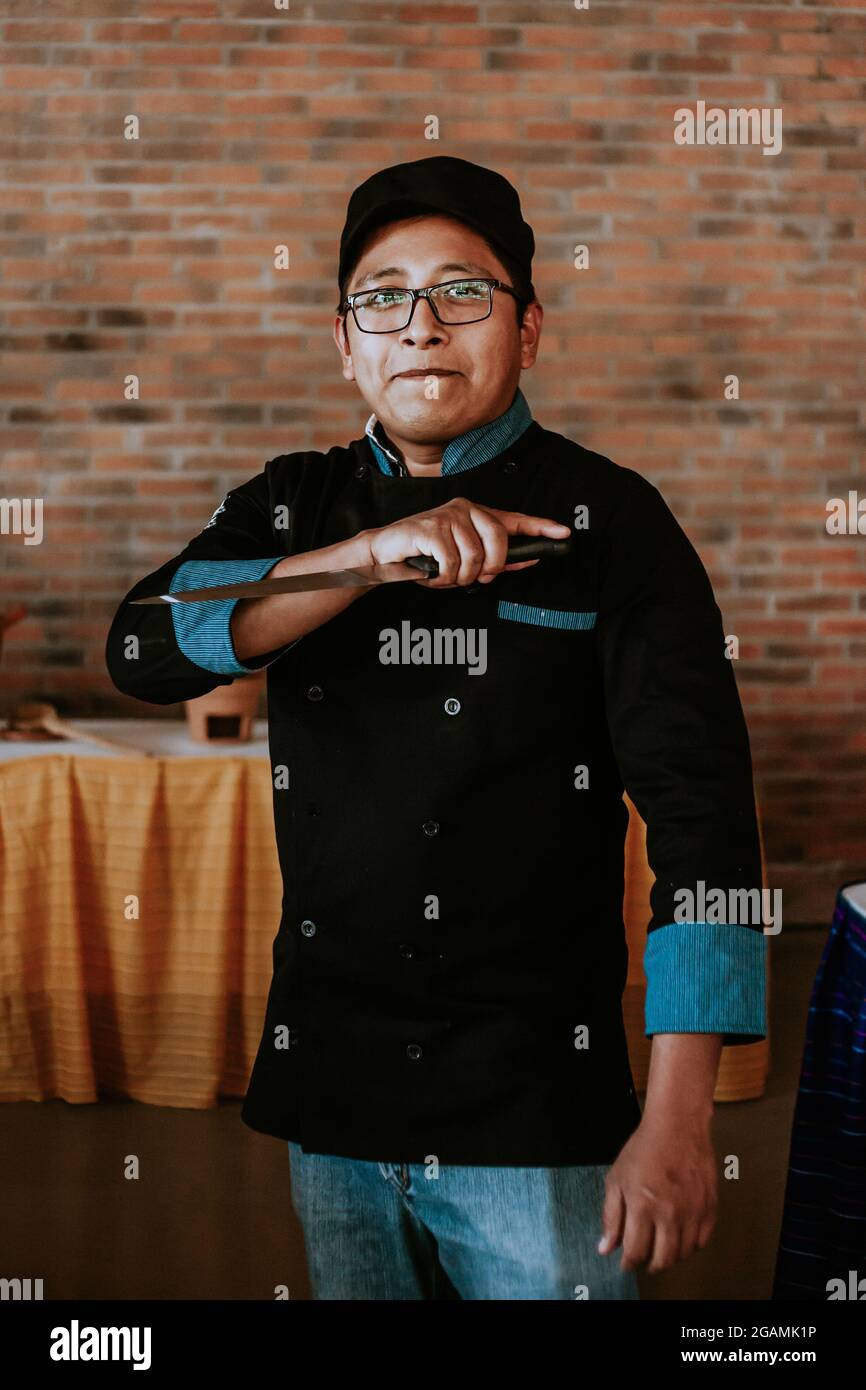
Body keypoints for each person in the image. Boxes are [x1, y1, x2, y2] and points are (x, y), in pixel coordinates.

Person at [105, 155, 767, 1301]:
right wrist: (363, 560)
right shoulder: (292, 503)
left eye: (463, 291)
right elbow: (142, 646)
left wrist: (676, 1117)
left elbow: (704, 832)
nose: (419, 325)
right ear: (344, 340)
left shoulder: (612, 522)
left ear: (528, 330)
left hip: (535, 1110)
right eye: (382, 296)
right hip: (336, 1097)